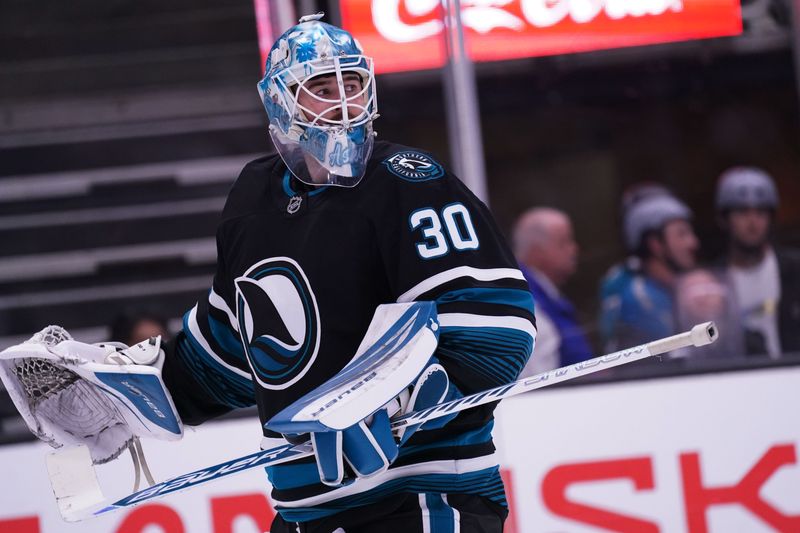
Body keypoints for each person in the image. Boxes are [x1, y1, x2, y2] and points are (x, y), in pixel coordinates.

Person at [154, 15, 535, 532]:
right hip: (306, 511)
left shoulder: (407, 181)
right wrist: (152, 391)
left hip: (422, 497)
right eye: (320, 86)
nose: (342, 102)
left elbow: (498, 330)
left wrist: (394, 394)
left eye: (351, 84)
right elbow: (236, 350)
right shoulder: (252, 197)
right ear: (279, 101)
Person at [715, 167, 800, 357]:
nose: (753, 222)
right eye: (742, 212)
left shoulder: (795, 270)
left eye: (761, 212)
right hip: (741, 382)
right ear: (724, 219)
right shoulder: (713, 282)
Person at [599, 193, 699, 351]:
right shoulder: (640, 299)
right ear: (655, 244)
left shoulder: (672, 289)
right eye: (681, 234)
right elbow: (682, 353)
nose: (693, 243)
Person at [512, 207, 592, 374]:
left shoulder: (546, 294)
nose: (574, 249)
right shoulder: (522, 301)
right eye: (564, 242)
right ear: (537, 252)